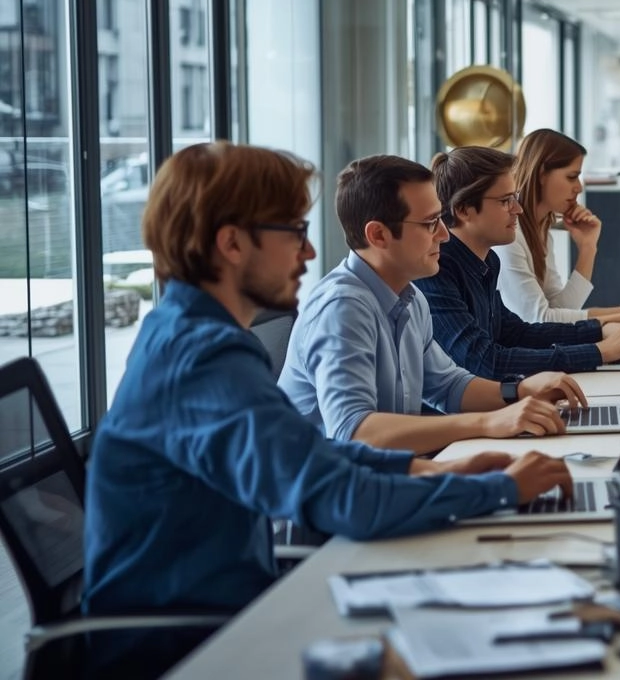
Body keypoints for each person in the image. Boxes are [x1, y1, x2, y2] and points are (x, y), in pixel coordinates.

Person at [85, 143, 573, 626]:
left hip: (235, 601)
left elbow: (313, 456)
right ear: (232, 244)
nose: (310, 251)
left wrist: (435, 472)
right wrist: (497, 489)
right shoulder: (203, 358)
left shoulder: (191, 335)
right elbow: (342, 492)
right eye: (295, 231)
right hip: (189, 636)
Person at [280, 155, 596, 455]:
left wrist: (521, 391)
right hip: (337, 490)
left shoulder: (409, 297)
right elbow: (356, 431)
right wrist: (487, 423)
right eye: (431, 223)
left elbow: (449, 386)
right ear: (378, 235)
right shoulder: (342, 309)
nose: (444, 235)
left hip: (386, 475)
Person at [417, 146, 620, 379]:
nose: (518, 209)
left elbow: (517, 333)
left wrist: (599, 332)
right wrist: (599, 352)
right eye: (505, 201)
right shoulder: (437, 268)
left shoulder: (487, 261)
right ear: (463, 209)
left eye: (515, 198)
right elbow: (484, 361)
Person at [498, 128, 620, 323]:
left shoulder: (540, 232)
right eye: (571, 177)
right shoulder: (509, 236)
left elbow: (560, 309)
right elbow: (540, 319)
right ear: (542, 173)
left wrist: (588, 248)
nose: (579, 187)